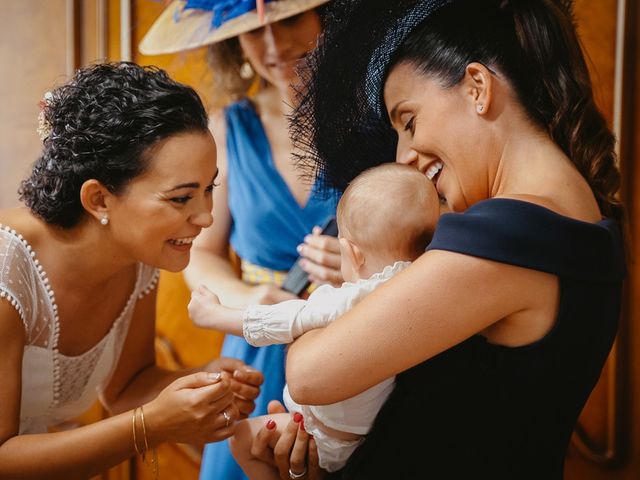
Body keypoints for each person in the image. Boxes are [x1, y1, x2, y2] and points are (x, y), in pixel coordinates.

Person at [252, 0, 623, 478]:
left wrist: (343, 296)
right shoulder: (575, 223)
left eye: (408, 121)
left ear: (477, 87)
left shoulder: (509, 233)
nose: (404, 155)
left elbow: (307, 375)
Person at [0, 62, 263, 479]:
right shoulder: (6, 270)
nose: (207, 217)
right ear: (99, 200)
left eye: (209, 189)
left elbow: (127, 388)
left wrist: (200, 381)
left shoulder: (138, 258)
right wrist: (151, 425)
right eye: (181, 198)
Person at [140, 1, 341, 479]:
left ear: (331, 18)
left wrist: (361, 266)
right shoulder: (227, 130)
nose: (274, 46)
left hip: (358, 338)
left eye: (290, 20)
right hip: (258, 349)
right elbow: (201, 254)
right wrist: (249, 301)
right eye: (255, 32)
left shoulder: (376, 122)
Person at [188, 163, 440, 477]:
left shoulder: (350, 298)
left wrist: (216, 315)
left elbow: (292, 317)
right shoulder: (420, 287)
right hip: (367, 440)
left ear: (352, 253)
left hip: (318, 434)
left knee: (241, 440)